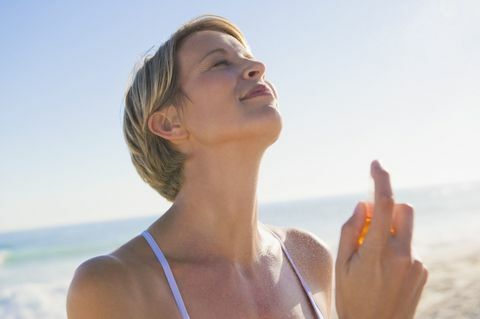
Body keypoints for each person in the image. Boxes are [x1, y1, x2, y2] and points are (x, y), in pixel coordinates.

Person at [66, 15, 428, 319]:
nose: (257, 67)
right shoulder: (113, 286)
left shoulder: (310, 257)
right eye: (220, 62)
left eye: (249, 58)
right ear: (170, 125)